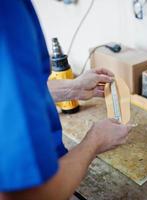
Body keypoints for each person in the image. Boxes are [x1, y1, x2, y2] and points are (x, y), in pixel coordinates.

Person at [0, 0, 131, 199]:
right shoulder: (7, 13)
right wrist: (94, 142)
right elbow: (33, 195)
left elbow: (12, 97)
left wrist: (71, 88)